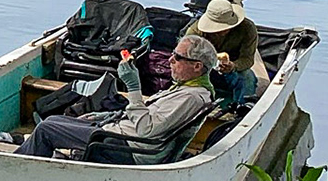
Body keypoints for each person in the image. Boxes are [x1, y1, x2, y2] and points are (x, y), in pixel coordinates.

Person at [16, 33, 219, 162]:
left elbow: (146, 131)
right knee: (53, 120)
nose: (170, 59)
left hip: (127, 146)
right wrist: (107, 116)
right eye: (173, 54)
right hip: (119, 134)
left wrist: (133, 87)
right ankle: (22, 161)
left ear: (197, 66)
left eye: (178, 57)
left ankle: (15, 173)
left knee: (46, 129)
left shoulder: (191, 97)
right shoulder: (186, 89)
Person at [187, 0, 264, 104]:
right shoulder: (195, 32)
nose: (222, 30)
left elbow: (248, 59)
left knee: (247, 77)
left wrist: (233, 66)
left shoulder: (247, 28)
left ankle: (243, 108)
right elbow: (185, 58)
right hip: (204, 69)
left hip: (233, 70)